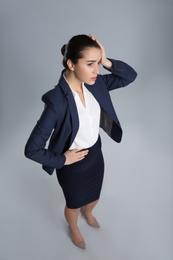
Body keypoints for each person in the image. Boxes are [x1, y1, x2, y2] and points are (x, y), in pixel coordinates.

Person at [24, 34, 137, 250]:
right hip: (72, 164)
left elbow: (129, 76)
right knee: (73, 204)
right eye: (90, 64)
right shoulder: (56, 102)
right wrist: (61, 159)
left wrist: (105, 60)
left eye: (98, 64)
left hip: (95, 154)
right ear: (71, 64)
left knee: (94, 196)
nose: (97, 71)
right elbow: (32, 149)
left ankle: (89, 212)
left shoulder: (96, 84)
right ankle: (73, 227)